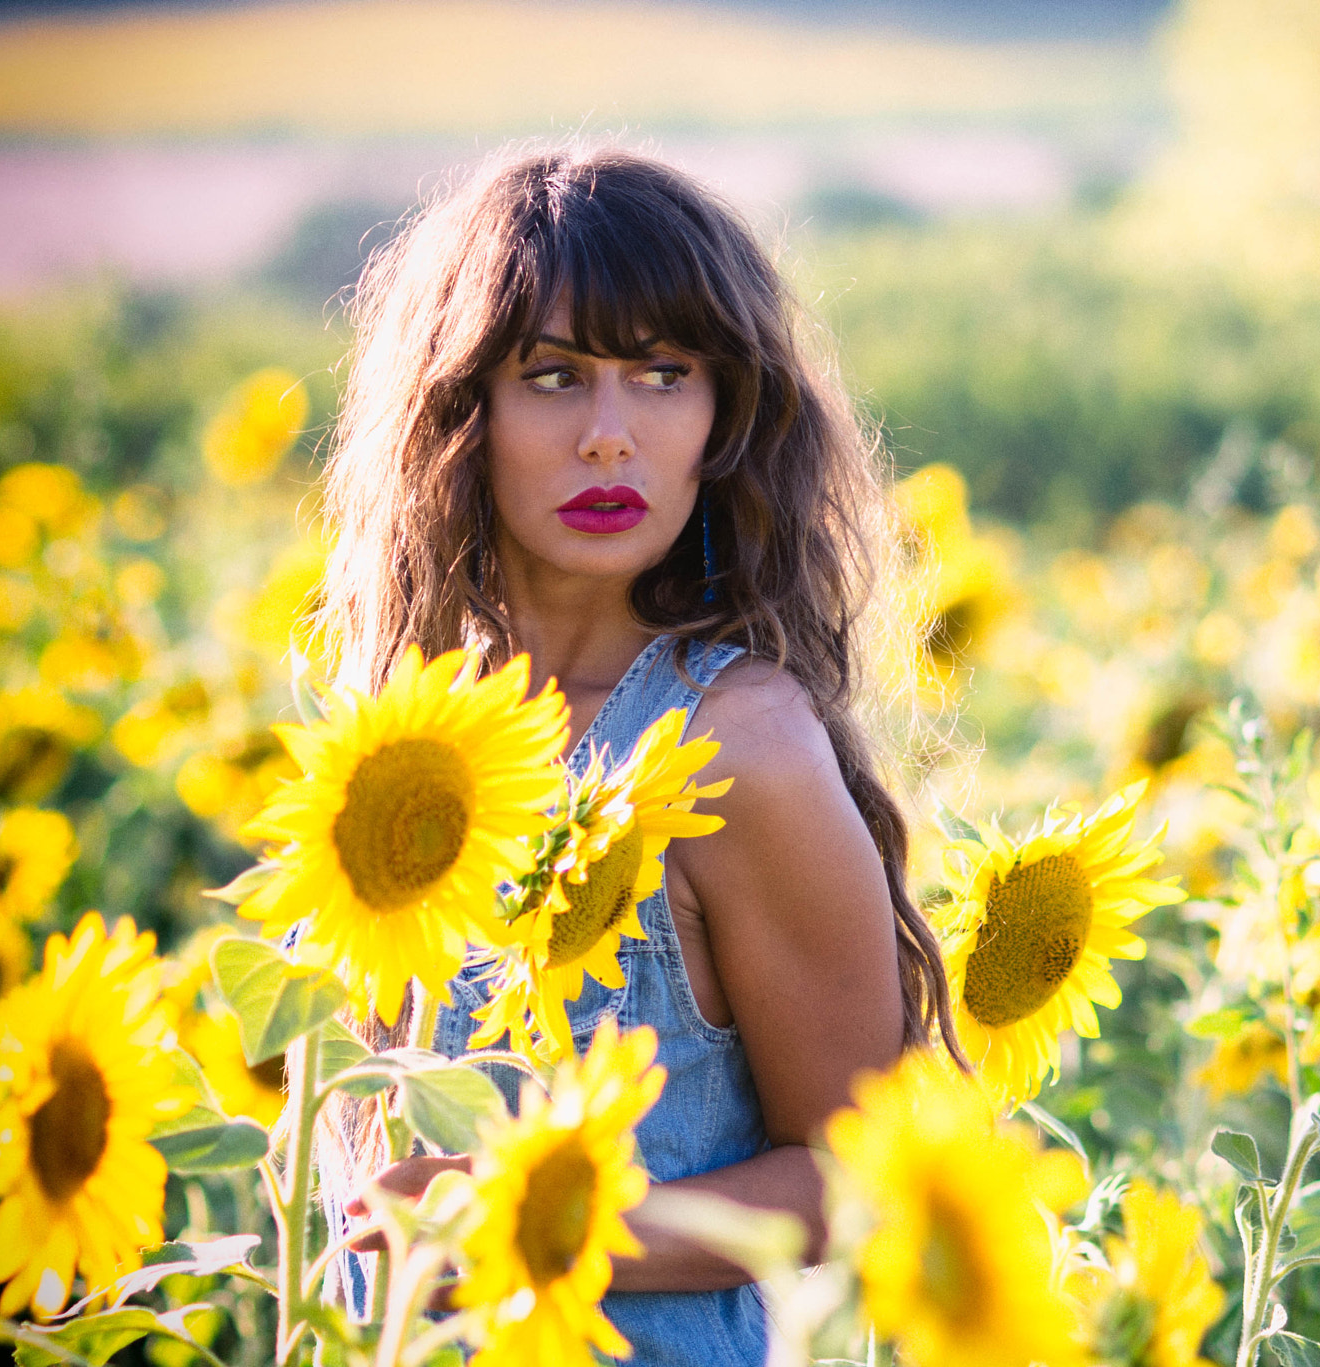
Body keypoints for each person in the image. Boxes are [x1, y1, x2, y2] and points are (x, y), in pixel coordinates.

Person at [307, 145, 961, 1367]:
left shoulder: (736, 744)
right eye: (552, 376)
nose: (610, 435)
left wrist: (537, 1221)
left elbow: (858, 1167)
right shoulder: (404, 734)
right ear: (460, 413)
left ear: (725, 413)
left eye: (662, 374)